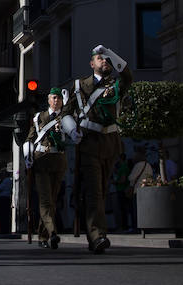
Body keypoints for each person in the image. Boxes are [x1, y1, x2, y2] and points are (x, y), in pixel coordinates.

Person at [62, 44, 132, 254]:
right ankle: (98, 235)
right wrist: (72, 130)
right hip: (89, 142)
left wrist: (110, 52)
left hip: (111, 143)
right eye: (100, 58)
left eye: (106, 59)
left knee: (102, 189)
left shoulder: (116, 84)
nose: (104, 61)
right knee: (94, 190)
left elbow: (128, 75)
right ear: (92, 64)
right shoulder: (80, 86)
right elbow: (66, 112)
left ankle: (93, 235)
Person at [23, 87, 74, 249]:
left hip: (58, 160)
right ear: (48, 100)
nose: (56, 100)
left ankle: (42, 235)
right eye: (53, 98)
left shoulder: (66, 117)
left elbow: (73, 130)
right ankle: (52, 233)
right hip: (42, 160)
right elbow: (30, 138)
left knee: (52, 199)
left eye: (59, 98)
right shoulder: (39, 117)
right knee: (46, 200)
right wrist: (28, 155)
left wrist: (68, 104)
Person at [0, 169, 13, 234]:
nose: (1, 176)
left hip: (3, 199)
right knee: (5, 215)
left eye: (1, 174)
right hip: (6, 198)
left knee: (3, 215)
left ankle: (3, 229)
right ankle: (5, 229)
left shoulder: (5, 181)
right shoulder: (9, 181)